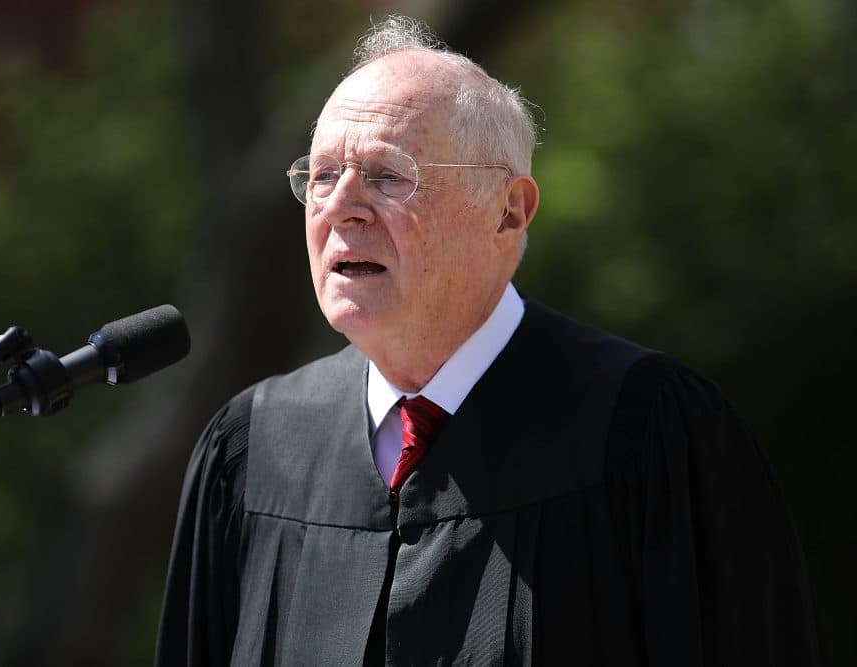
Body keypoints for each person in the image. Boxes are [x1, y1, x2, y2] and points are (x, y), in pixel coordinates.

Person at [155, 16, 823, 666]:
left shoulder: (647, 432)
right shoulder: (253, 450)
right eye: (323, 175)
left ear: (508, 212)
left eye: (388, 176)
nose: (341, 206)